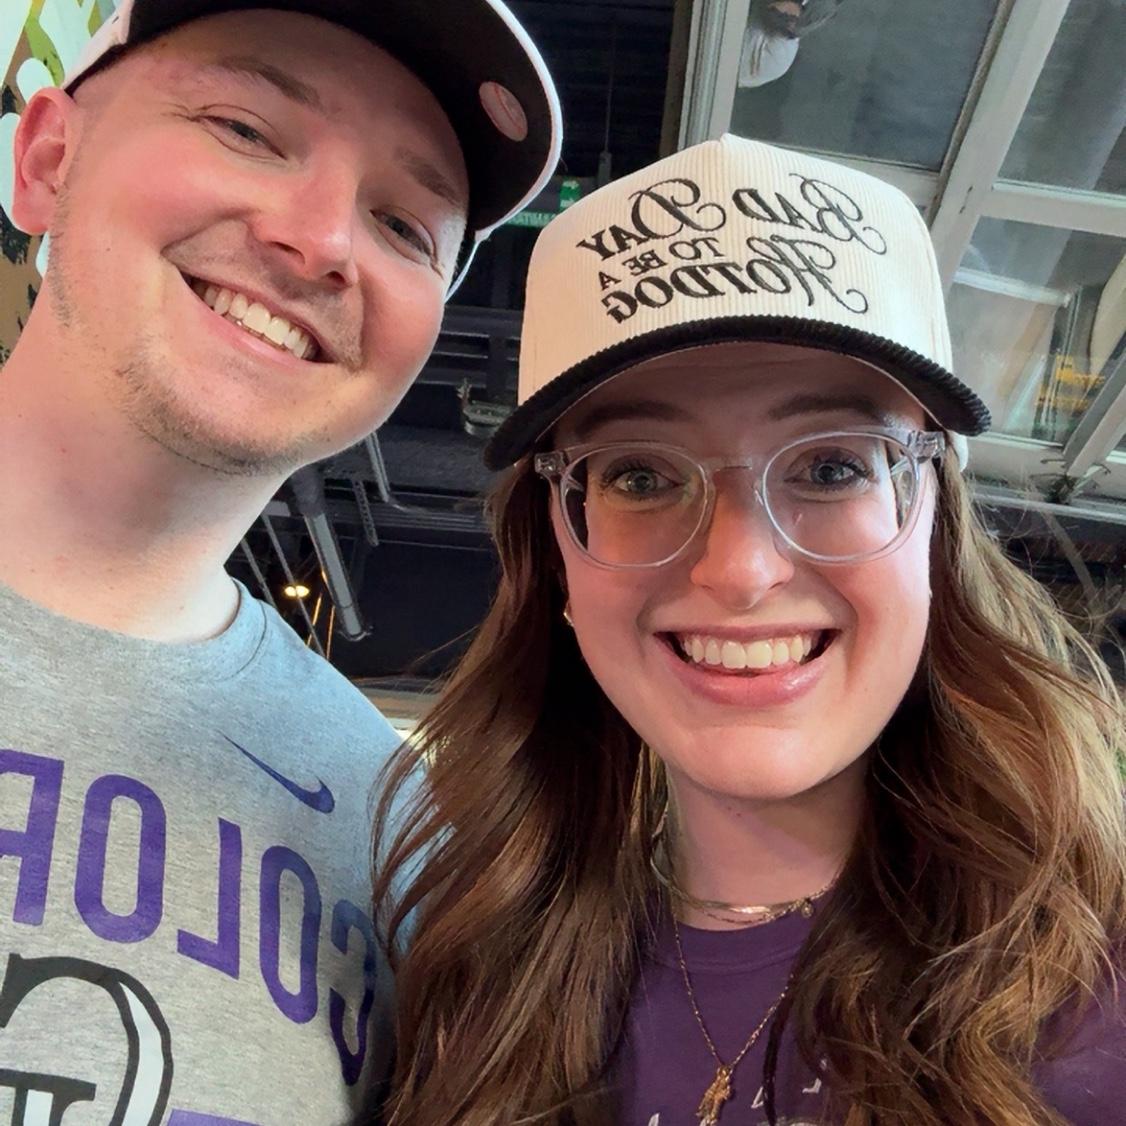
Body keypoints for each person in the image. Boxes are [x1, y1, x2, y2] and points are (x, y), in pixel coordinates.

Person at [372, 134, 1126, 1125]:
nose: (739, 568)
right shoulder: (470, 971)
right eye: (640, 474)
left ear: (931, 524)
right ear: (558, 548)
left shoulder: (1095, 993)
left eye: (830, 466)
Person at [0, 1, 560, 1122]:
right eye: (246, 128)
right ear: (47, 158)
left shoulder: (405, 839)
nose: (322, 240)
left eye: (405, 224)